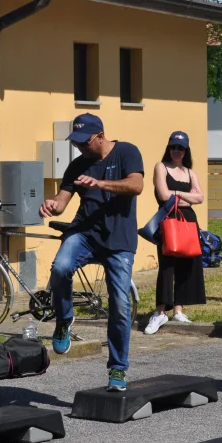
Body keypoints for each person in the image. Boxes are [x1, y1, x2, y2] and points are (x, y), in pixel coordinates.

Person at [39, 113, 143, 392]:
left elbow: (136, 186)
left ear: (100, 136)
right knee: (60, 268)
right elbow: (63, 200)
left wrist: (101, 184)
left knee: (120, 306)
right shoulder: (77, 165)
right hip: (84, 233)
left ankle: (118, 369)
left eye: (84, 143)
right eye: (76, 143)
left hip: (119, 240)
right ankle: (63, 318)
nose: (80, 148)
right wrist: (52, 204)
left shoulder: (126, 152)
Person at [143, 131, 207, 333]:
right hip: (169, 220)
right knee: (167, 266)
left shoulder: (190, 172)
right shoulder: (160, 167)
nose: (176, 151)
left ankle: (178, 310)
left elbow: (200, 198)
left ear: (186, 150)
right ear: (168, 148)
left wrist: (177, 193)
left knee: (187, 263)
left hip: (188, 221)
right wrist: (186, 196)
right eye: (173, 147)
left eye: (180, 148)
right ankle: (160, 312)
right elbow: (163, 195)